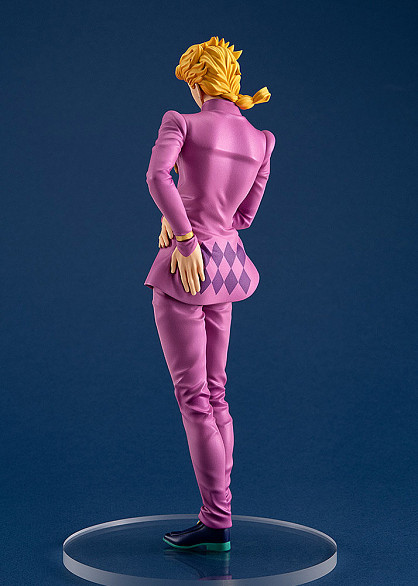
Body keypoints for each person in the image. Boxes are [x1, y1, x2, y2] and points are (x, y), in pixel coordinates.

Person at [144, 36, 276, 551]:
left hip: (186, 269)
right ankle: (219, 514)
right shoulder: (261, 140)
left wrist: (183, 235)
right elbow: (243, 216)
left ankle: (216, 518)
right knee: (215, 392)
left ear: (199, 82)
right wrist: (188, 218)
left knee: (194, 397)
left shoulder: (182, 122)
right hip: (226, 268)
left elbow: (158, 176)